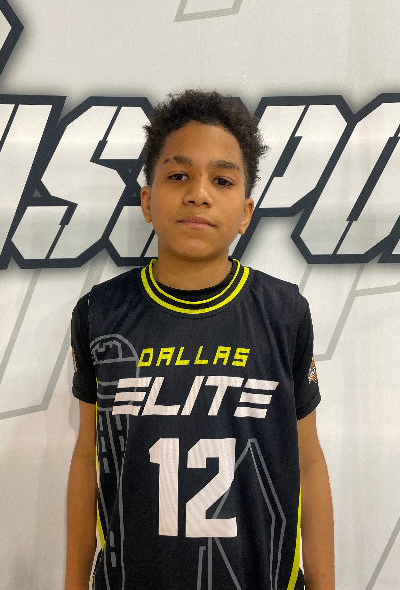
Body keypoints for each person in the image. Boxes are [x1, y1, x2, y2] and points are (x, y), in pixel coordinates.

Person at [66, 89, 335, 590]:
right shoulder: (100, 314)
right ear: (147, 201)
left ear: (246, 212)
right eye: (178, 176)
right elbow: (88, 457)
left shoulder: (284, 313)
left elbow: (309, 461)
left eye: (222, 180)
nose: (199, 194)